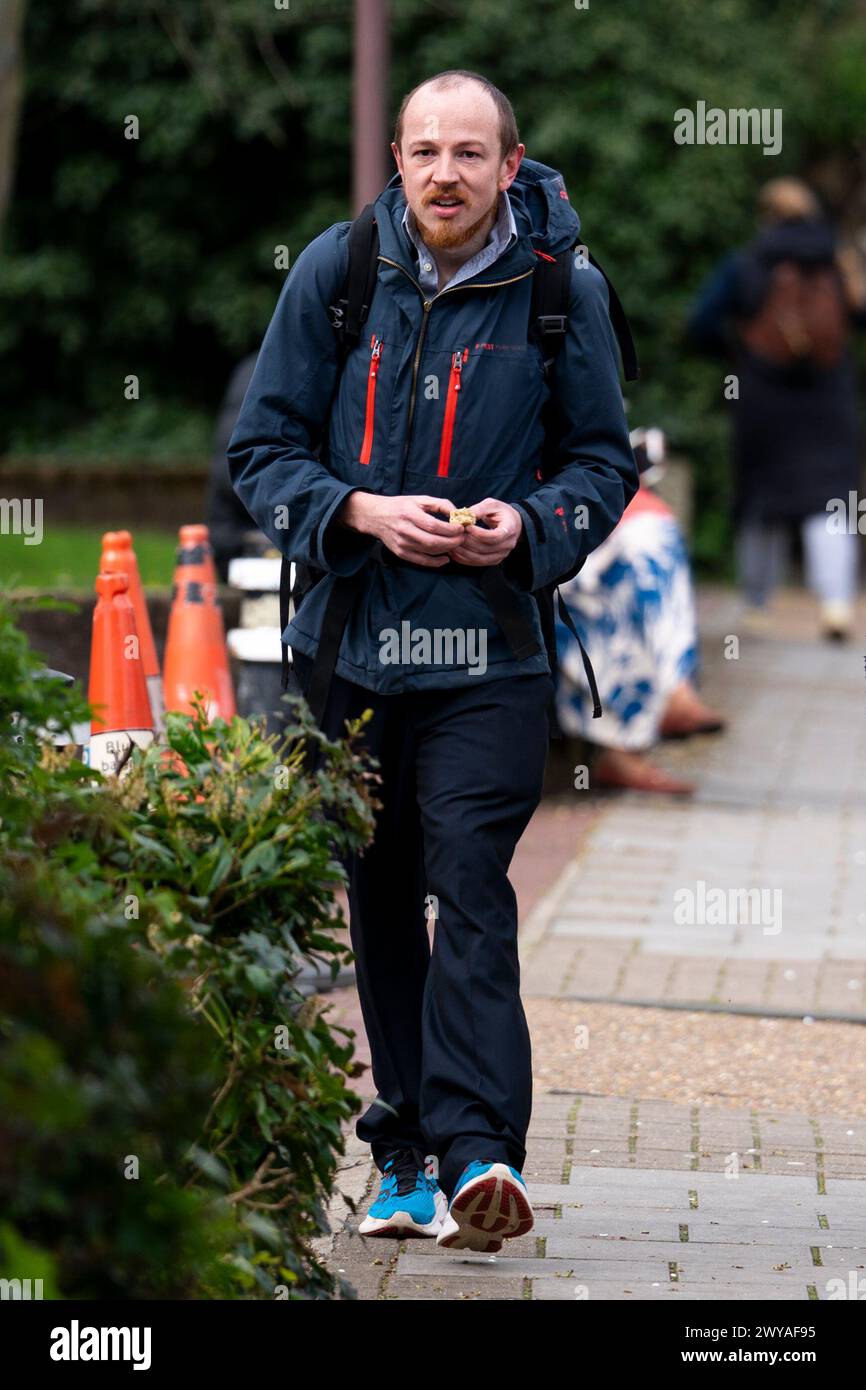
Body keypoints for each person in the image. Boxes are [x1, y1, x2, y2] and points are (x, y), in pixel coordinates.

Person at [227, 70, 638, 1252]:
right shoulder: (338, 273)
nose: (444, 173)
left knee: (467, 879)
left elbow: (600, 464)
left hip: (488, 653)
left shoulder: (560, 292)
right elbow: (262, 449)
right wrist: (355, 511)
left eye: (469, 153)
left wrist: (528, 527)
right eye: (423, 152)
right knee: (378, 894)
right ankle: (403, 1156)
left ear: (511, 166)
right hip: (350, 646)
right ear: (396, 163)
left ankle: (481, 1154)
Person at [688, 178, 866, 640]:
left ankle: (757, 605)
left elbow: (701, 323)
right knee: (829, 500)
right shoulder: (839, 261)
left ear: (767, 214)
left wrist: (734, 352)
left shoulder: (748, 263)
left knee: (760, 498)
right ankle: (836, 604)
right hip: (828, 399)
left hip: (761, 398)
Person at [555, 428, 725, 796]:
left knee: (645, 557)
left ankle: (631, 742)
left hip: (580, 543)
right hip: (544, 546)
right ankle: (675, 688)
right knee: (650, 540)